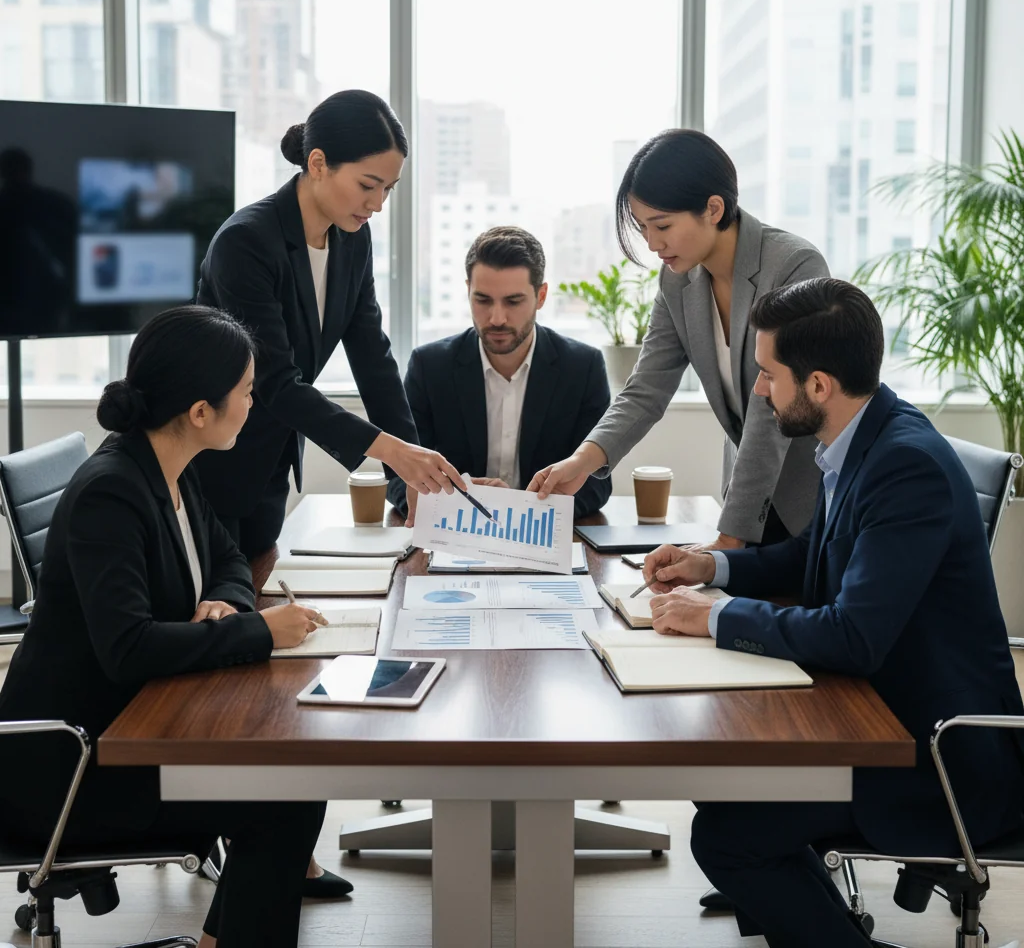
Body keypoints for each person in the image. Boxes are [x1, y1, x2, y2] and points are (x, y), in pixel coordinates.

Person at [640, 278, 1024, 948]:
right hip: (878, 711)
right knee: (721, 779)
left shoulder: (905, 465)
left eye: (768, 375)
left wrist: (715, 619)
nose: (760, 390)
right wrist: (714, 567)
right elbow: (813, 556)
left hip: (933, 754)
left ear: (817, 385)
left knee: (726, 836)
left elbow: (853, 635)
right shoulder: (862, 439)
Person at [0, 305, 331, 948]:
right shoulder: (112, 492)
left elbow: (230, 556)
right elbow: (128, 649)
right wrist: (262, 633)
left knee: (293, 785)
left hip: (136, 723)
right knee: (288, 797)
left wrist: (227, 604)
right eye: (246, 392)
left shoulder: (171, 469)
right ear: (201, 410)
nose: (253, 403)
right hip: (72, 767)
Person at [528, 129, 830, 551]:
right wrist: (583, 461)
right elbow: (646, 388)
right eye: (643, 227)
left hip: (811, 503)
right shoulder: (678, 281)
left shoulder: (793, 266)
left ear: (713, 208)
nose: (652, 244)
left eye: (662, 225)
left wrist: (730, 539)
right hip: (745, 501)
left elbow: (770, 415)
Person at [195, 89, 463, 559]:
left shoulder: (352, 239)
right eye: (367, 185)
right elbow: (275, 381)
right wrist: (392, 452)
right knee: (220, 605)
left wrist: (413, 472)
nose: (377, 203)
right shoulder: (246, 243)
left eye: (388, 189)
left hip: (269, 465)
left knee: (256, 587)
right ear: (317, 163)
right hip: (212, 462)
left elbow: (373, 357)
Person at [387, 225, 612, 524]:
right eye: (482, 300)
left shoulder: (583, 367)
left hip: (540, 539)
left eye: (513, 301)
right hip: (455, 538)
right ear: (467, 290)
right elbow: (398, 479)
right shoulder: (429, 367)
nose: (496, 318)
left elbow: (597, 483)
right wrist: (464, 500)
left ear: (541, 296)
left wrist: (517, 508)